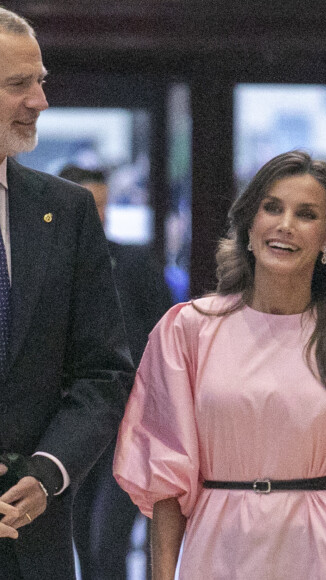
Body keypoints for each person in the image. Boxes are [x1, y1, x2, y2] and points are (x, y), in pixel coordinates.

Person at [113, 150, 326, 580]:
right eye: (272, 208)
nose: (285, 224)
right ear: (249, 226)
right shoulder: (186, 331)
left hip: (324, 557)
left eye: (306, 214)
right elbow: (166, 486)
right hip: (215, 553)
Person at [0, 8, 134, 579]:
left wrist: (50, 469)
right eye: (17, 84)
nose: (39, 101)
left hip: (36, 540)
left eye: (41, 81)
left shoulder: (68, 211)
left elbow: (102, 370)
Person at [58, 165, 174, 580]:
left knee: (108, 544)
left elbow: (164, 339)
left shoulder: (133, 261)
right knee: (80, 545)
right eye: (89, 205)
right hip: (66, 422)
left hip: (128, 421)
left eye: (104, 205)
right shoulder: (44, 265)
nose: (98, 215)